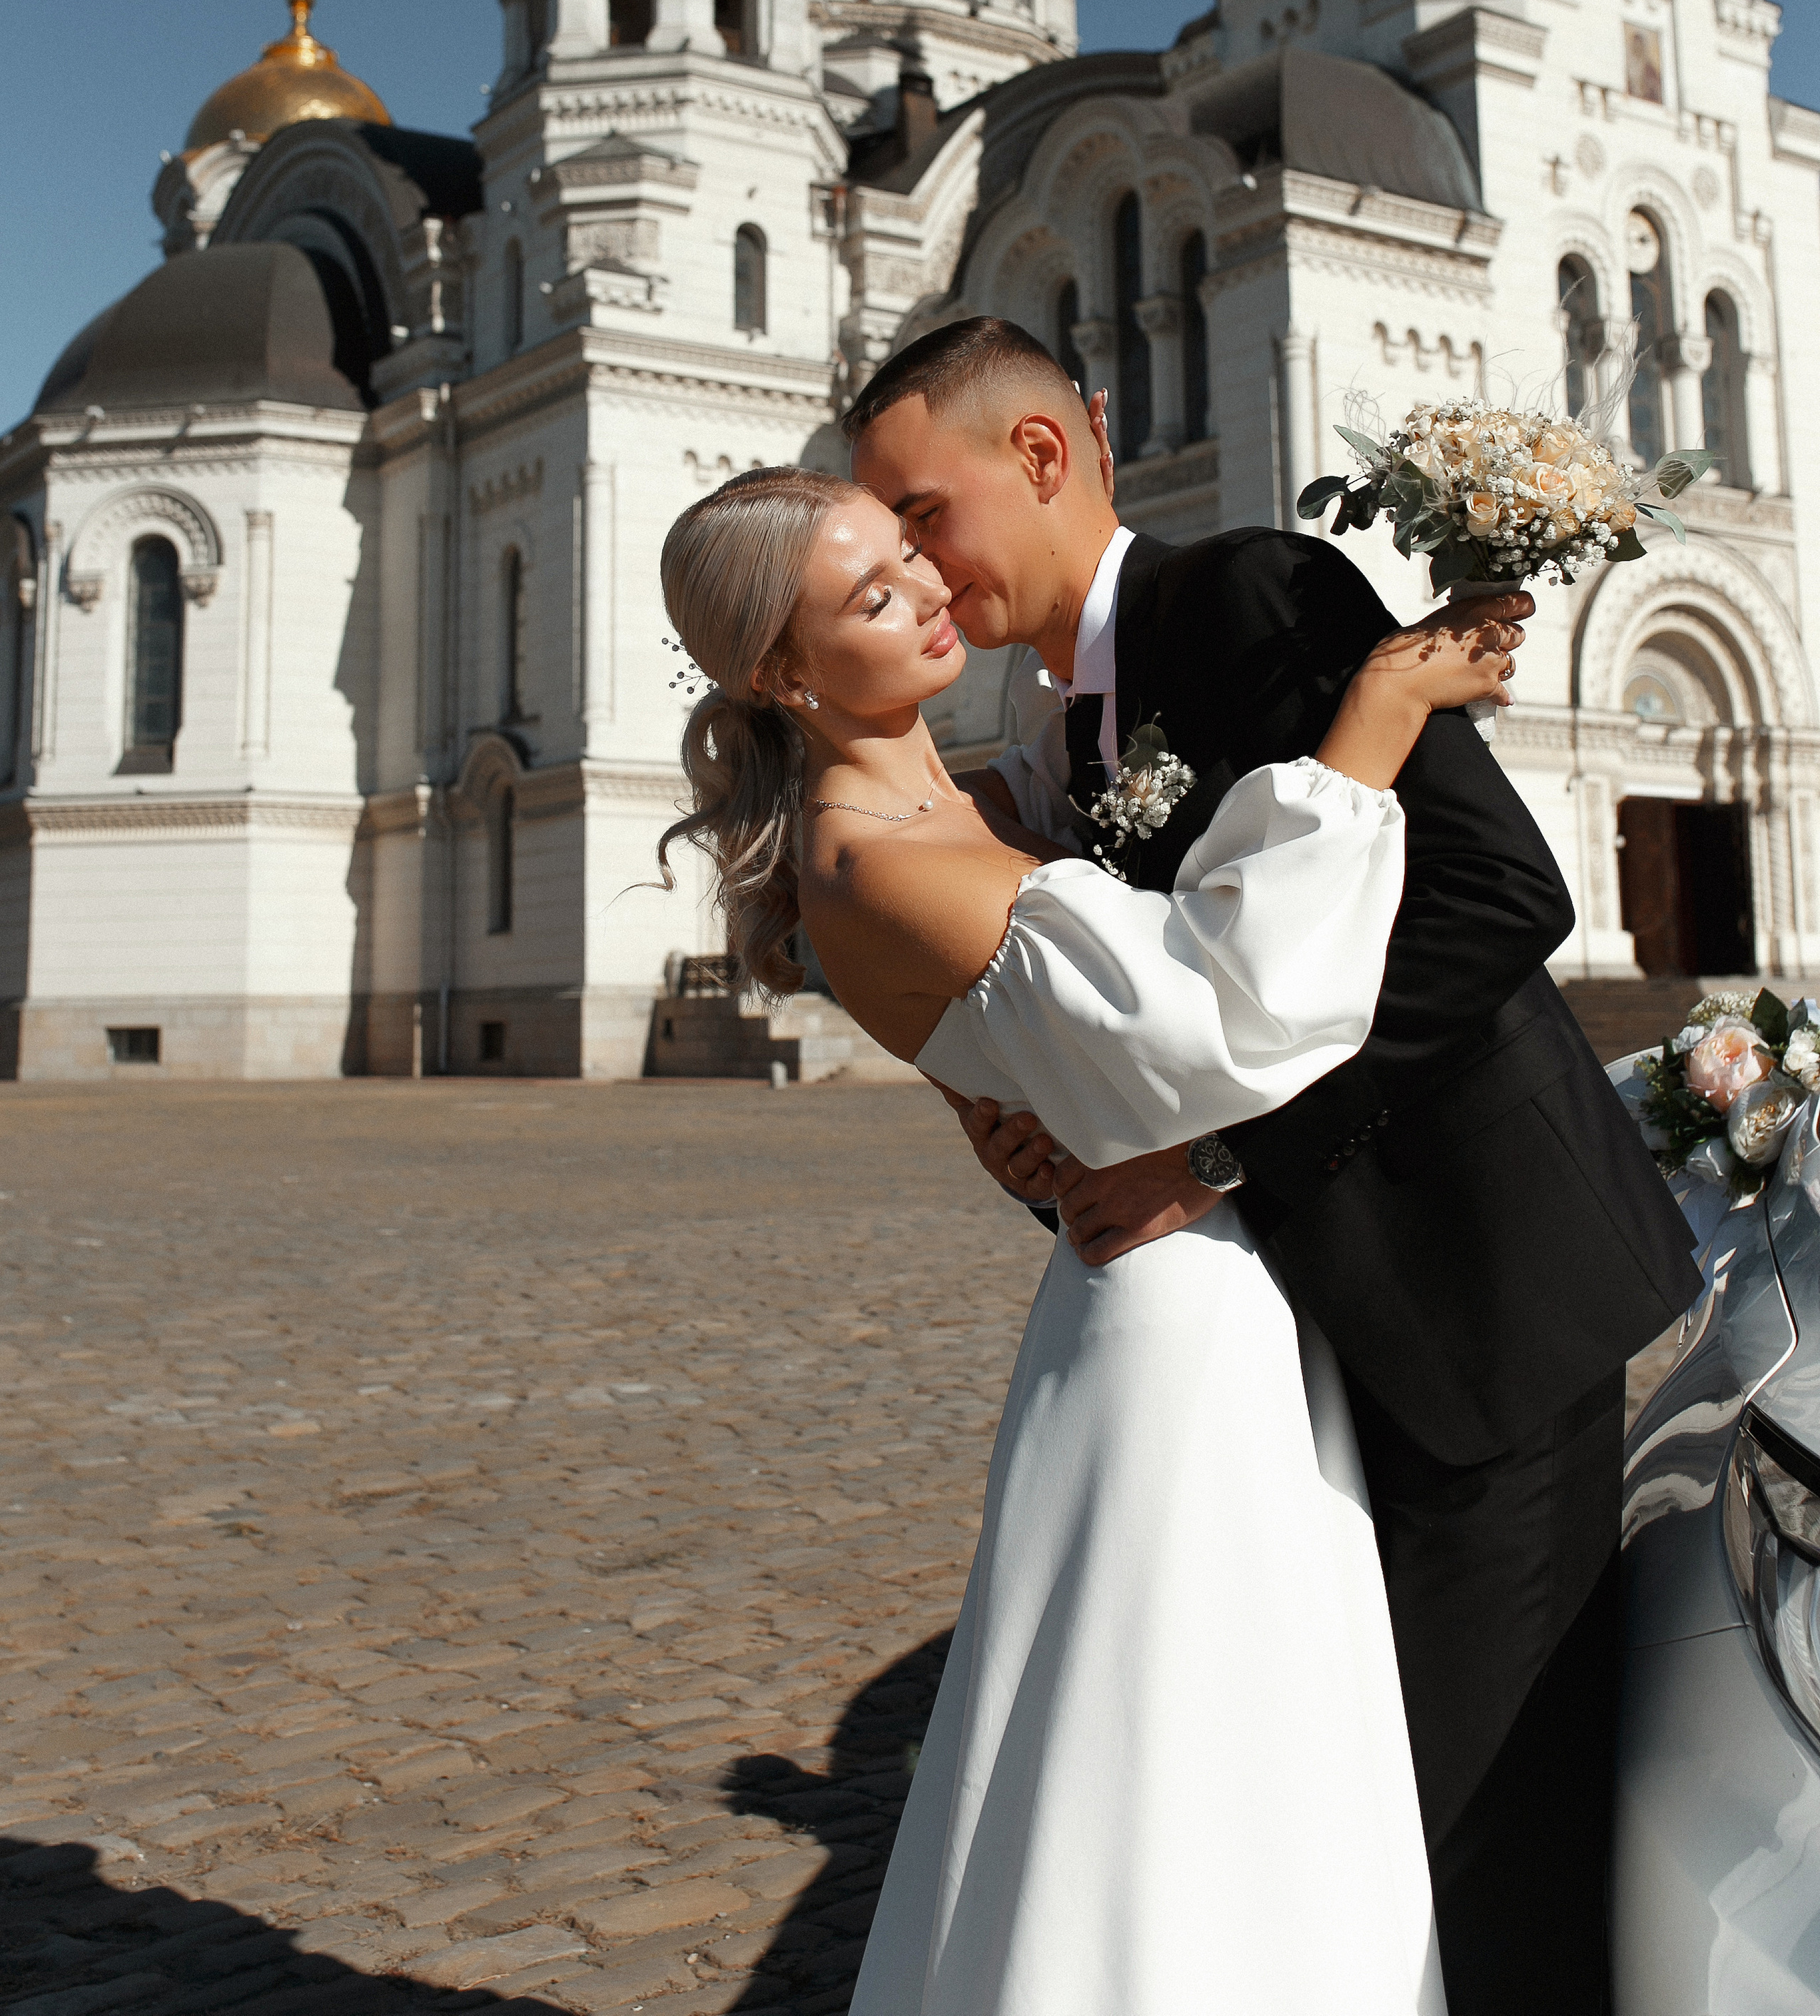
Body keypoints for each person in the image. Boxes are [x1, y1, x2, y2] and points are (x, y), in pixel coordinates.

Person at [842, 317, 1703, 2016]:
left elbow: (1492, 895)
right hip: (1320, 1319)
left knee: (1486, 1812)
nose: (913, 565)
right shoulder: (1054, 716)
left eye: (919, 512)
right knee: (1385, 1802)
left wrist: (1211, 1152)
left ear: (1037, 457)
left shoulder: (1246, 595)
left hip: (1481, 1287)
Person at [655, 459, 1523, 2014]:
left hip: (1187, 1288)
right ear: (781, 674)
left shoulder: (966, 797)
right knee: (1180, 1765)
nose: (925, 591)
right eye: (868, 594)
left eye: (909, 551)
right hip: (1167, 1334)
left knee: (1242, 1743)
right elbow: (1223, 1011)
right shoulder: (883, 858)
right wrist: (1372, 721)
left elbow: (1070, 1022)